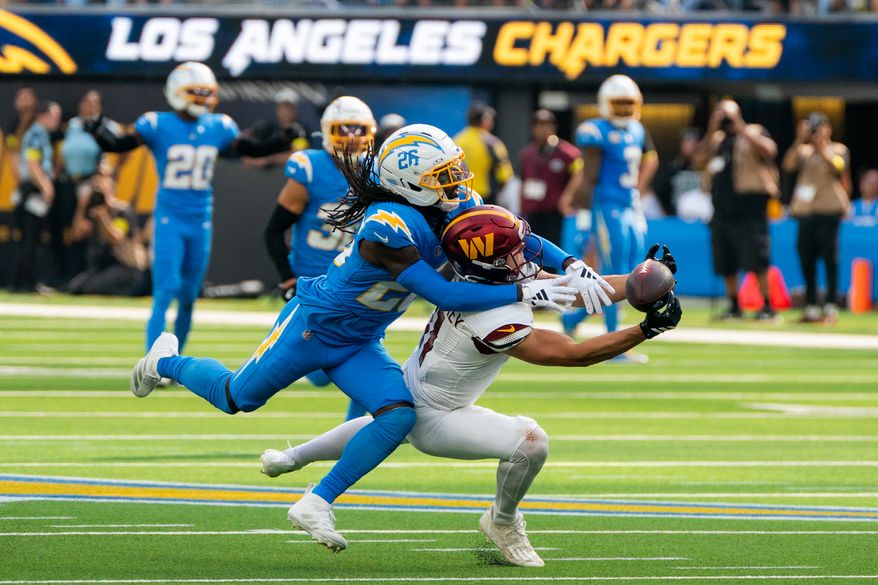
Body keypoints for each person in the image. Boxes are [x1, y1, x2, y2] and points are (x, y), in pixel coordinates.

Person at [128, 124, 612, 552]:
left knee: (397, 415)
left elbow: (514, 233)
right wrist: (528, 286)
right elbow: (444, 293)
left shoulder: (446, 203)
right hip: (314, 328)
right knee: (237, 397)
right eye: (442, 176)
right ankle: (163, 361)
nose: (457, 185)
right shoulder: (387, 227)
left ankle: (316, 501)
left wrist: (570, 263)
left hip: (361, 339)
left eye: (453, 172)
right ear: (410, 185)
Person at [260, 207, 682, 567]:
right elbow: (573, 353)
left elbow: (576, 291)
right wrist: (646, 329)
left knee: (386, 422)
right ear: (495, 264)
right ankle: (501, 522)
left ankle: (292, 458)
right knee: (531, 441)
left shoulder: (478, 283)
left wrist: (643, 278)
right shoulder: (493, 316)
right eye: (515, 250)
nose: (526, 253)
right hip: (440, 417)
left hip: (414, 383)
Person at [86, 62, 299, 352]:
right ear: (177, 92)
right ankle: (155, 362)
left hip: (200, 220)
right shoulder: (158, 124)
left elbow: (248, 150)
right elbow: (120, 143)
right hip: (169, 218)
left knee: (188, 295)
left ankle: (175, 360)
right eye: (195, 92)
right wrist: (99, 132)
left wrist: (280, 140)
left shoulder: (218, 126)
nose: (202, 99)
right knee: (165, 290)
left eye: (206, 92)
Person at [263, 96, 376, 415]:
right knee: (318, 375)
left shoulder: (378, 173)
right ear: (328, 131)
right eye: (344, 129)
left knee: (365, 358)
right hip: (313, 283)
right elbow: (273, 230)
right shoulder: (310, 167)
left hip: (355, 281)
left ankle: (350, 436)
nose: (352, 136)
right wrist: (287, 279)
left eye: (359, 129)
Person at [561, 75, 659, 360]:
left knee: (633, 271)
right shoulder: (595, 130)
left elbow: (651, 160)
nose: (624, 109)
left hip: (630, 205)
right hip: (606, 206)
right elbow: (589, 175)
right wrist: (583, 217)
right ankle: (612, 340)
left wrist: (638, 196)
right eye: (619, 103)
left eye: (628, 103)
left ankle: (572, 321)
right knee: (617, 272)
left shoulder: (639, 131)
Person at [694, 99, 779, 321]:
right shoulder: (717, 140)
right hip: (722, 208)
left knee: (757, 259)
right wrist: (713, 127)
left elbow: (770, 150)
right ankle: (734, 305)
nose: (725, 119)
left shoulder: (753, 131)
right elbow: (697, 159)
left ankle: (768, 306)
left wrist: (739, 124)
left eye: (727, 114)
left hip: (750, 208)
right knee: (726, 260)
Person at [782, 112, 851, 324]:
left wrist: (821, 145)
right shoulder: (803, 151)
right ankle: (811, 306)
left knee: (830, 259)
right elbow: (788, 165)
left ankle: (830, 306)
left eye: (820, 127)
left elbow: (838, 167)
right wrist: (799, 138)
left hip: (829, 210)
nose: (816, 131)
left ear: (828, 128)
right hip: (806, 212)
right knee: (806, 258)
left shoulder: (838, 149)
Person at [67, 165, 148, 296]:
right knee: (75, 287)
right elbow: (76, 234)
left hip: (126, 267)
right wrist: (82, 207)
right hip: (103, 268)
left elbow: (116, 238)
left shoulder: (121, 210)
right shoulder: (93, 210)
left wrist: (103, 217)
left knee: (91, 287)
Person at [54, 90, 105, 283]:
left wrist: (107, 170)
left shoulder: (102, 125)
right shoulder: (73, 125)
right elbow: (63, 152)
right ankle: (68, 274)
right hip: (69, 182)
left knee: (86, 228)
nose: (89, 106)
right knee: (69, 229)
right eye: (86, 102)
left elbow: (116, 148)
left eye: (94, 103)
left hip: (89, 182)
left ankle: (86, 275)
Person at [10, 101, 61, 292]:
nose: (57, 122)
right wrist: (45, 185)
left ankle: (22, 282)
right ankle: (26, 283)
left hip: (32, 189)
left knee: (31, 240)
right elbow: (32, 162)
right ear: (45, 115)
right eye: (55, 117)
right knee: (31, 239)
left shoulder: (39, 134)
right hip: (32, 191)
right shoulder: (37, 134)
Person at [518, 109, 583, 246]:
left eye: (546, 125)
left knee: (553, 247)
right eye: (538, 125)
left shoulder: (567, 153)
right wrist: (521, 207)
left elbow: (580, 172)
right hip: (533, 209)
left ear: (553, 127)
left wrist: (568, 196)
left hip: (554, 211)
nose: (542, 129)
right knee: (532, 247)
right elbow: (523, 180)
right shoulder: (527, 154)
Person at [453, 101, 514, 203]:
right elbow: (505, 175)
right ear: (484, 119)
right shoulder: (492, 143)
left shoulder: (456, 140)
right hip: (483, 197)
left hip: (459, 195)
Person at [241, 88, 309, 170]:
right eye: (283, 107)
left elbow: (297, 155)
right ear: (277, 109)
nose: (286, 112)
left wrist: (265, 161)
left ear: (295, 110)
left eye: (289, 108)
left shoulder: (301, 130)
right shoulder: (268, 127)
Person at [654, 128, 704, 217]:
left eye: (694, 141)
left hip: (701, 217)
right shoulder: (672, 169)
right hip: (676, 217)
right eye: (687, 141)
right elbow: (661, 193)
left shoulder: (707, 169)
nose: (691, 145)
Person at [3, 86, 38, 186]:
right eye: (20, 97)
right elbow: (12, 152)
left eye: (27, 97)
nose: (23, 100)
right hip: (21, 177)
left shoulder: (39, 124)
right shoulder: (13, 126)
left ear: (35, 100)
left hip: (39, 174)